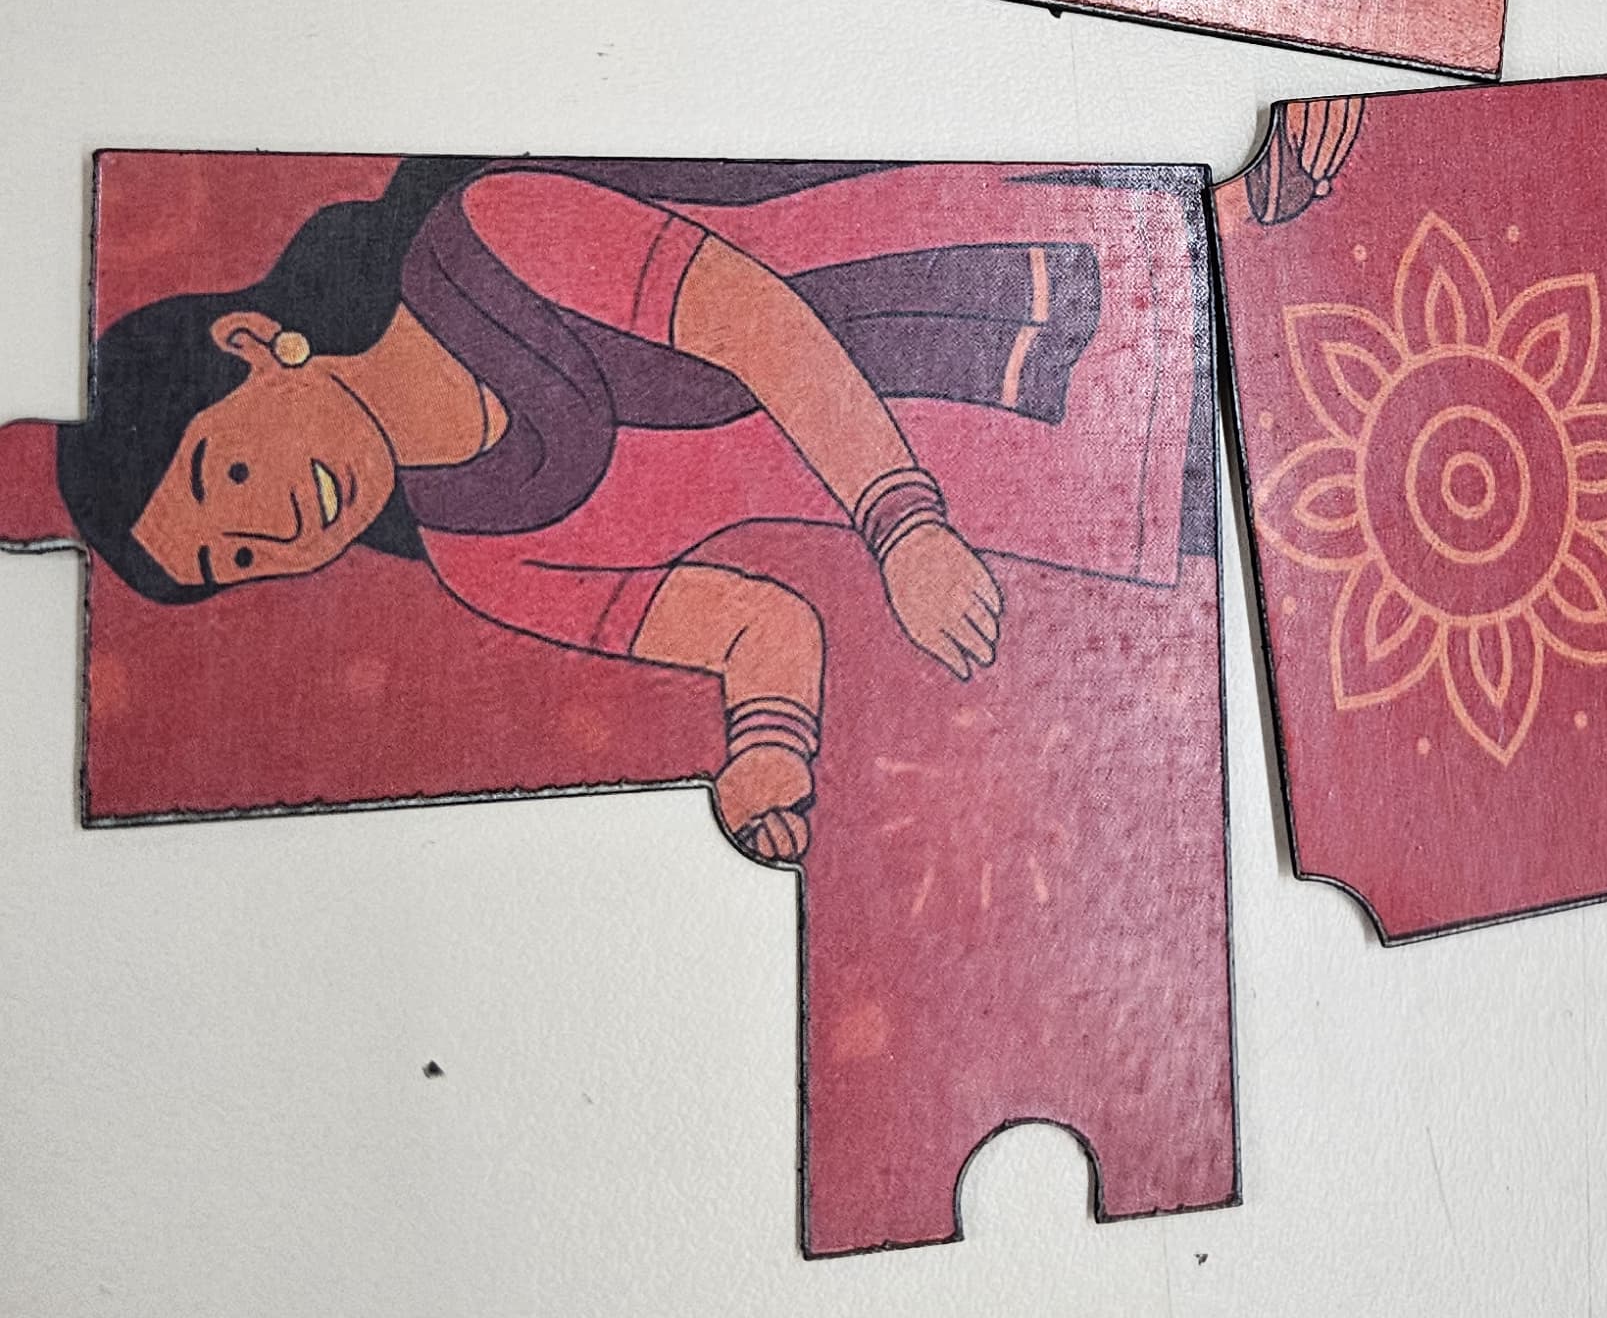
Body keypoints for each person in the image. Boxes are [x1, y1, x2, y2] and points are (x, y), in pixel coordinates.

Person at [55, 159, 1213, 868]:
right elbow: (756, 626)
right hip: (1024, 483)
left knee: (1229, 315)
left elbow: (756, 325)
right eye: (237, 558)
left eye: (223, 478)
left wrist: (903, 523)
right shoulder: (481, 560)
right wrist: (768, 749)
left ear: (255, 344)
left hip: (986, 281)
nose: (274, 530)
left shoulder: (487, 236)